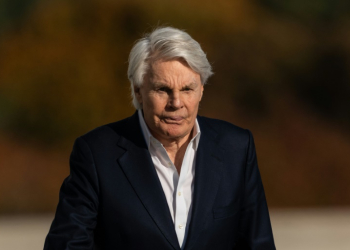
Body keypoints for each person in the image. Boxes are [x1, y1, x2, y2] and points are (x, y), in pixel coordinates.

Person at [44, 27, 276, 250]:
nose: (176, 103)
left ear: (202, 90)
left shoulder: (236, 147)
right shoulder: (96, 153)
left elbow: (258, 245)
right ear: (138, 91)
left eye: (187, 89)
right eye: (163, 89)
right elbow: (66, 245)